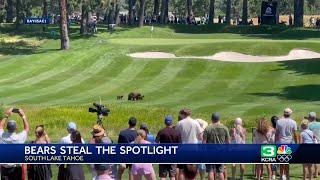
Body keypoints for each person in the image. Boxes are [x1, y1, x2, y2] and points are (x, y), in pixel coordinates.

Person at [0, 108, 29, 180]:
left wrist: (6, 115)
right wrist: (23, 116)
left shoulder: (2, 136)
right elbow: (27, 129)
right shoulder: (19, 138)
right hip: (16, 169)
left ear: (7, 128)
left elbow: (0, 126)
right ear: (16, 128)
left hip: (4, 169)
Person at [175, 109, 203, 180]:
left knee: (181, 170)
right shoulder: (195, 123)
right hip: (193, 148)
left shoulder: (180, 123)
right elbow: (200, 136)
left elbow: (176, 135)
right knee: (193, 169)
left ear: (183, 114)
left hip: (183, 148)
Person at [203, 113, 230, 180]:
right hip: (221, 152)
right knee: (220, 171)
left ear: (212, 119)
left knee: (210, 171)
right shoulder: (225, 128)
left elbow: (203, 142)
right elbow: (228, 142)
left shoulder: (207, 128)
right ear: (219, 119)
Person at [156, 115, 181, 180]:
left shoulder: (161, 131)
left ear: (165, 122)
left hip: (163, 155)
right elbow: (180, 146)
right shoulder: (176, 132)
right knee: (172, 175)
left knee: (163, 176)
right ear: (172, 122)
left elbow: (156, 143)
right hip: (173, 155)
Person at [276, 108, 298, 180]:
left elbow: (277, 133)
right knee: (287, 161)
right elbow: (295, 134)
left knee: (282, 160)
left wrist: (275, 142)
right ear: (290, 114)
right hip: (289, 142)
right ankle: (287, 176)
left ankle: (281, 176)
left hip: (281, 142)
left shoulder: (279, 122)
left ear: (284, 113)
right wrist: (296, 143)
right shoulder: (293, 122)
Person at [308, 112, 320, 178]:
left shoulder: (308, 125)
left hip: (311, 143)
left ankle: (312, 174)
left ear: (310, 117)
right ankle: (316, 174)